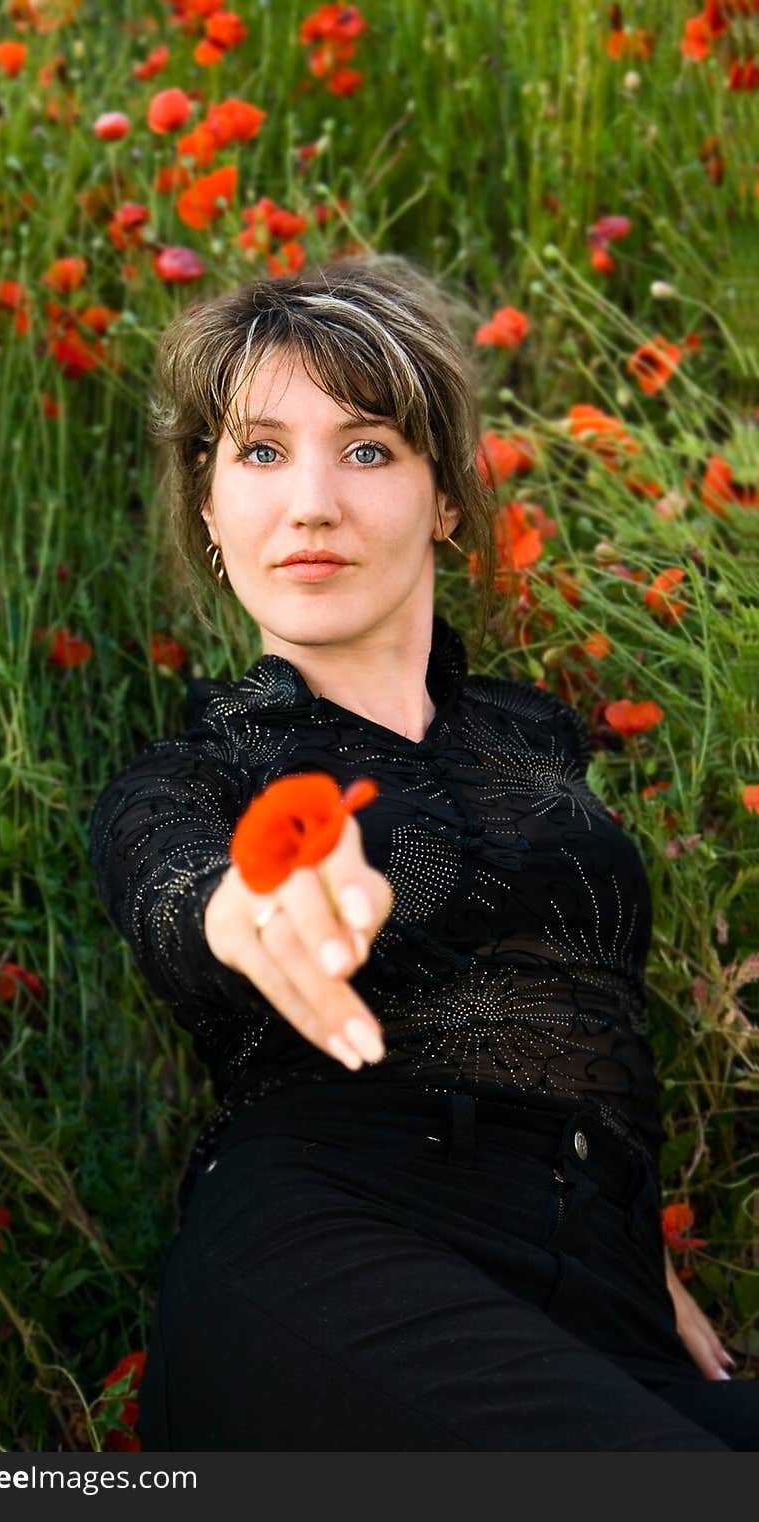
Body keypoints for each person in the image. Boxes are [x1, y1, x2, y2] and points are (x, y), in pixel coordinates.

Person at [88, 255, 756, 1451]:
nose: (309, 504)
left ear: (445, 494)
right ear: (208, 506)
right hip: (326, 1260)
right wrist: (260, 909)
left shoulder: (537, 738)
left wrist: (615, 1221)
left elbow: (568, 1015)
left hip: (591, 1313)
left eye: (365, 448)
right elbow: (184, 893)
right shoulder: (192, 777)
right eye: (257, 451)